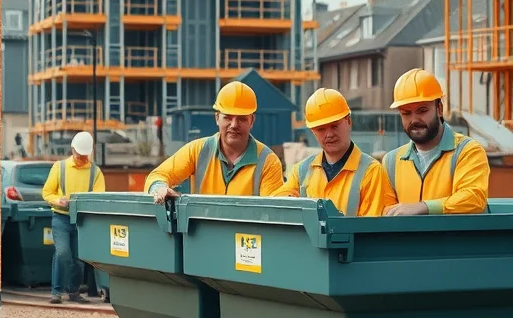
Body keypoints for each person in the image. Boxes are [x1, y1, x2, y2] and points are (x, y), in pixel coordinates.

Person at [146, 81, 284, 203]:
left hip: (246, 232)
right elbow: (158, 175)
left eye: (241, 119)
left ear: (251, 121)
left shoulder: (267, 162)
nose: (234, 125)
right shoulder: (198, 151)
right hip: (204, 231)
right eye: (228, 118)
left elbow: (273, 211)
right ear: (217, 118)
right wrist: (160, 188)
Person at [381, 68, 490, 215]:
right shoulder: (391, 162)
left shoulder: (467, 151)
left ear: (439, 108)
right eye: (406, 113)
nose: (414, 120)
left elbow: (473, 199)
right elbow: (385, 211)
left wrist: (424, 207)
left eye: (422, 110)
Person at [273, 88, 390, 216]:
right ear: (313, 131)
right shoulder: (301, 172)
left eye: (334, 126)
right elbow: (278, 206)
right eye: (321, 129)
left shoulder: (371, 172)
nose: (329, 134)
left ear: (349, 121)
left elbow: (370, 229)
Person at [40, 131, 105, 305]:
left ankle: (73, 292)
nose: (81, 159)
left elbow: (98, 197)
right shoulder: (59, 167)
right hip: (61, 218)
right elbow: (47, 192)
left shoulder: (95, 172)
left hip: (81, 221)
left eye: (84, 156)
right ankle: (56, 292)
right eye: (78, 155)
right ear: (72, 150)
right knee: (62, 253)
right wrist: (58, 200)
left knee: (78, 259)